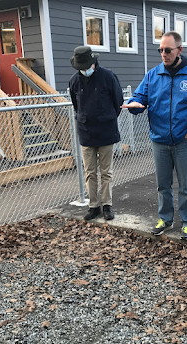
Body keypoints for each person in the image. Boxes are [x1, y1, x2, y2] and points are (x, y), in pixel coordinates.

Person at [121, 31, 187, 241]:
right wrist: (135, 106)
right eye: (160, 50)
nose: (163, 54)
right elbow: (140, 97)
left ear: (179, 50)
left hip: (184, 142)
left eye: (168, 50)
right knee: (163, 185)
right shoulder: (153, 75)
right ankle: (165, 219)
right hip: (159, 141)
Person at [69, 46, 124, 221]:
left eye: (87, 66)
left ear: (94, 62)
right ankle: (94, 206)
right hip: (86, 132)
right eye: (81, 68)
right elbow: (76, 106)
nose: (84, 70)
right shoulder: (74, 81)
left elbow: (118, 101)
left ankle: (107, 205)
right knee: (89, 171)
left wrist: (106, 117)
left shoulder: (108, 77)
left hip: (106, 131)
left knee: (106, 172)